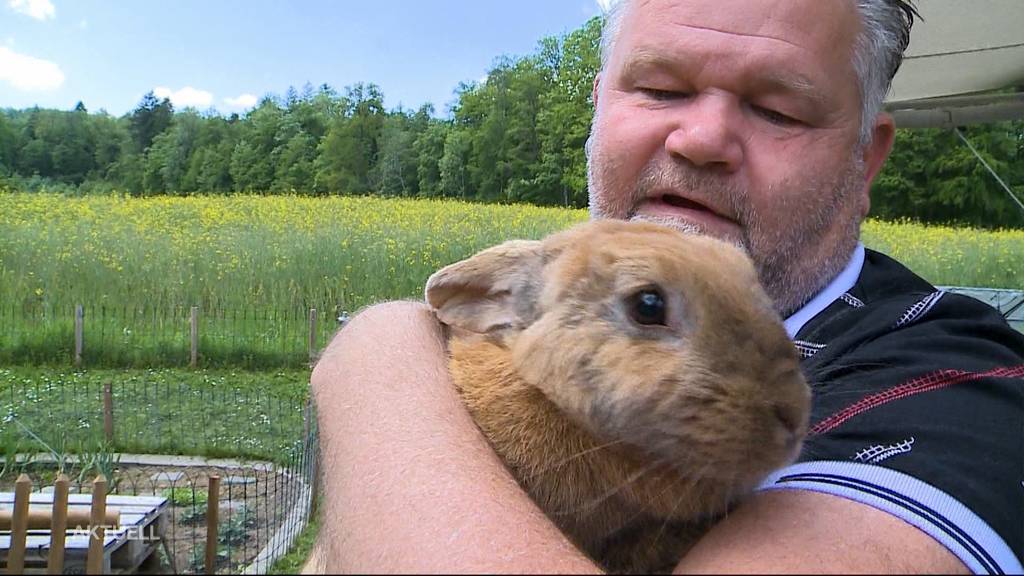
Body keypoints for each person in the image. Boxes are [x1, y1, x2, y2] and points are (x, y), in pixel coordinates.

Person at [310, 0, 1024, 572]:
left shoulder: (964, 380)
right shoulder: (555, 292)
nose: (701, 138)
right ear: (598, 111)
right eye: (659, 89)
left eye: (778, 110)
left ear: (864, 162)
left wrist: (375, 365)